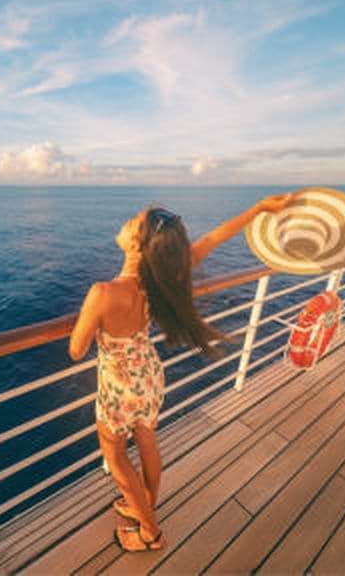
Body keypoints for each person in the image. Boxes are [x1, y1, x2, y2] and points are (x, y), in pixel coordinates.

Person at [68, 193, 295, 552]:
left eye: (134, 223)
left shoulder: (102, 292)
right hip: (150, 375)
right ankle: (145, 505)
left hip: (119, 387)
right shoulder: (162, 274)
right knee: (146, 440)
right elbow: (215, 238)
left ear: (138, 245)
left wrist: (90, 319)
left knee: (115, 457)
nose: (127, 222)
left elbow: (76, 350)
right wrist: (258, 209)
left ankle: (150, 532)